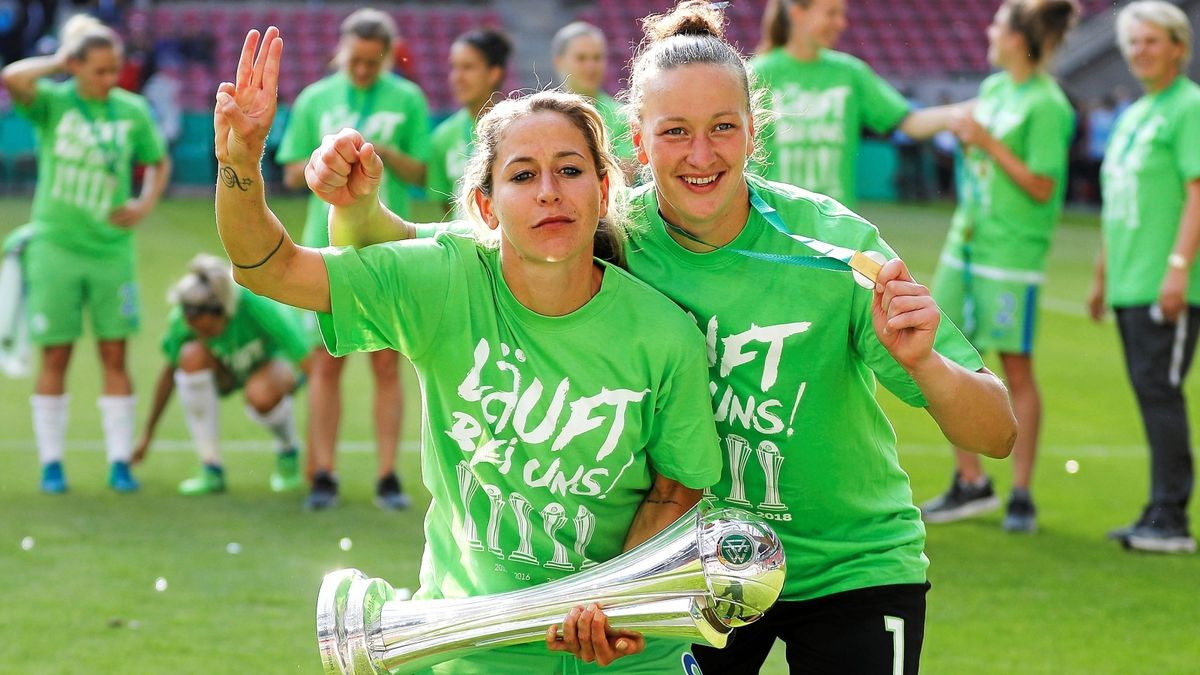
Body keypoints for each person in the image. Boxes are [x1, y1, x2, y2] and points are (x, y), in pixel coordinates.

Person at [335, 3, 1018, 671]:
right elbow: (422, 252)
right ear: (637, 139)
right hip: (692, 569)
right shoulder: (600, 233)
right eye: (674, 132)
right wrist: (356, 201)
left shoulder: (833, 247)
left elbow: (996, 431)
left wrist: (924, 362)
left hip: (852, 567)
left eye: (723, 128)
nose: (700, 155)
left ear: (754, 132)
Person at [214, 27, 724, 672]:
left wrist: (608, 598)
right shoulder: (447, 280)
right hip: (471, 650)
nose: (548, 192)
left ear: (604, 188)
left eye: (570, 171)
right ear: (484, 205)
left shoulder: (662, 332)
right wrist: (240, 160)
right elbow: (269, 266)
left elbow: (676, 488)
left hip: (624, 658)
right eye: (523, 175)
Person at [920, 0, 1079, 534]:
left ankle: (1023, 494)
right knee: (949, 360)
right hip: (966, 244)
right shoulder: (994, 90)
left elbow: (1042, 186)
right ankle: (971, 483)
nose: (988, 31)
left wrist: (986, 141)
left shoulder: (1048, 105)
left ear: (1020, 37)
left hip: (1011, 257)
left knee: (1016, 367)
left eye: (998, 24)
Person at [1, 15, 171, 494]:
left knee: (114, 352)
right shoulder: (53, 103)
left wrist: (144, 203)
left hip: (112, 251)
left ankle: (120, 462)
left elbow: (157, 160)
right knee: (55, 354)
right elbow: (12, 76)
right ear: (76, 66)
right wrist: (58, 59)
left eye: (113, 69)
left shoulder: (132, 110)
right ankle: (51, 464)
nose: (108, 78)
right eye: (98, 69)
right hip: (55, 246)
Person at [276, 8, 429, 510]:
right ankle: (323, 473)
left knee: (387, 362)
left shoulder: (406, 99)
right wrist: (330, 155)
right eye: (355, 60)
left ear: (386, 55)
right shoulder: (315, 98)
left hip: (390, 248)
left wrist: (379, 151)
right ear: (341, 51)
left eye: (372, 61)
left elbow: (422, 170)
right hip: (326, 247)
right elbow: (291, 172)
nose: (363, 70)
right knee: (325, 362)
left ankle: (387, 476)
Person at [1088, 0, 1200, 555]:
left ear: (1179, 46)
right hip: (1131, 281)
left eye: (1151, 40)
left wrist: (1178, 270)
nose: (1140, 51)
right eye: (1133, 42)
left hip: (1167, 283)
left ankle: (1171, 517)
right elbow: (1118, 204)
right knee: (1149, 391)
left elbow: (1198, 192)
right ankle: (1157, 509)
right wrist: (1102, 274)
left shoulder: (1189, 107)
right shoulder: (1136, 113)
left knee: (1162, 392)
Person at [751, 0, 968, 207]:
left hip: (834, 226)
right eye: (831, 13)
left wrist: (976, 107)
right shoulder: (757, 73)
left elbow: (912, 123)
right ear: (797, 13)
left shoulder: (851, 73)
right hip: (773, 224)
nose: (841, 23)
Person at [132, 254, 313, 495]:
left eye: (205, 327)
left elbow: (306, 360)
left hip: (273, 362)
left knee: (260, 395)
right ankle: (211, 467)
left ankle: (288, 450)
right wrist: (147, 434)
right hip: (229, 370)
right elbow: (169, 373)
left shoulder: (255, 302)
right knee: (191, 356)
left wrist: (320, 449)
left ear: (222, 310)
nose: (199, 332)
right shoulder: (185, 319)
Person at [426, 28, 511, 218]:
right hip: (462, 244)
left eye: (467, 67)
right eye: (454, 67)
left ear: (494, 74)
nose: (457, 77)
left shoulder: (517, 128)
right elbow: (445, 204)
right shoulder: (443, 136)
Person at [551, 21, 636, 174]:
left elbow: (624, 176)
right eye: (581, 58)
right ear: (559, 62)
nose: (591, 66)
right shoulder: (543, 115)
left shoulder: (622, 116)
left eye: (597, 58)